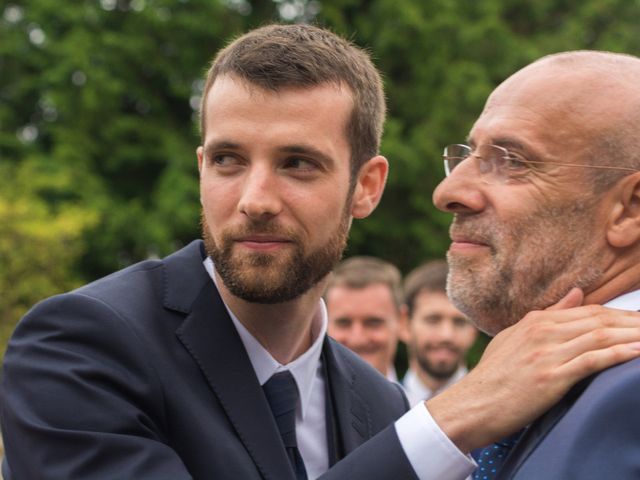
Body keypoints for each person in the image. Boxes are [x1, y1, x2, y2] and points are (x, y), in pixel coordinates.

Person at [2, 26, 640, 480]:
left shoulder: (376, 402)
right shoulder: (80, 347)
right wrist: (444, 425)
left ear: (366, 187)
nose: (254, 198)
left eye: (297, 164)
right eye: (227, 160)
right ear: (200, 168)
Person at [432, 50, 640, 479]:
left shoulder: (627, 397)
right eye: (468, 153)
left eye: (512, 160)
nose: (448, 191)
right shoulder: (519, 382)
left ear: (630, 210)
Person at [400, 260, 478, 405]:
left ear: (475, 328)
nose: (446, 335)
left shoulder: (498, 412)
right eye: (433, 320)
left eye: (459, 322)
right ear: (404, 324)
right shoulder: (379, 409)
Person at [325, 256, 404, 380]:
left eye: (373, 323)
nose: (357, 339)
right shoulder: (302, 399)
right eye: (344, 323)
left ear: (402, 321)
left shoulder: (420, 399)